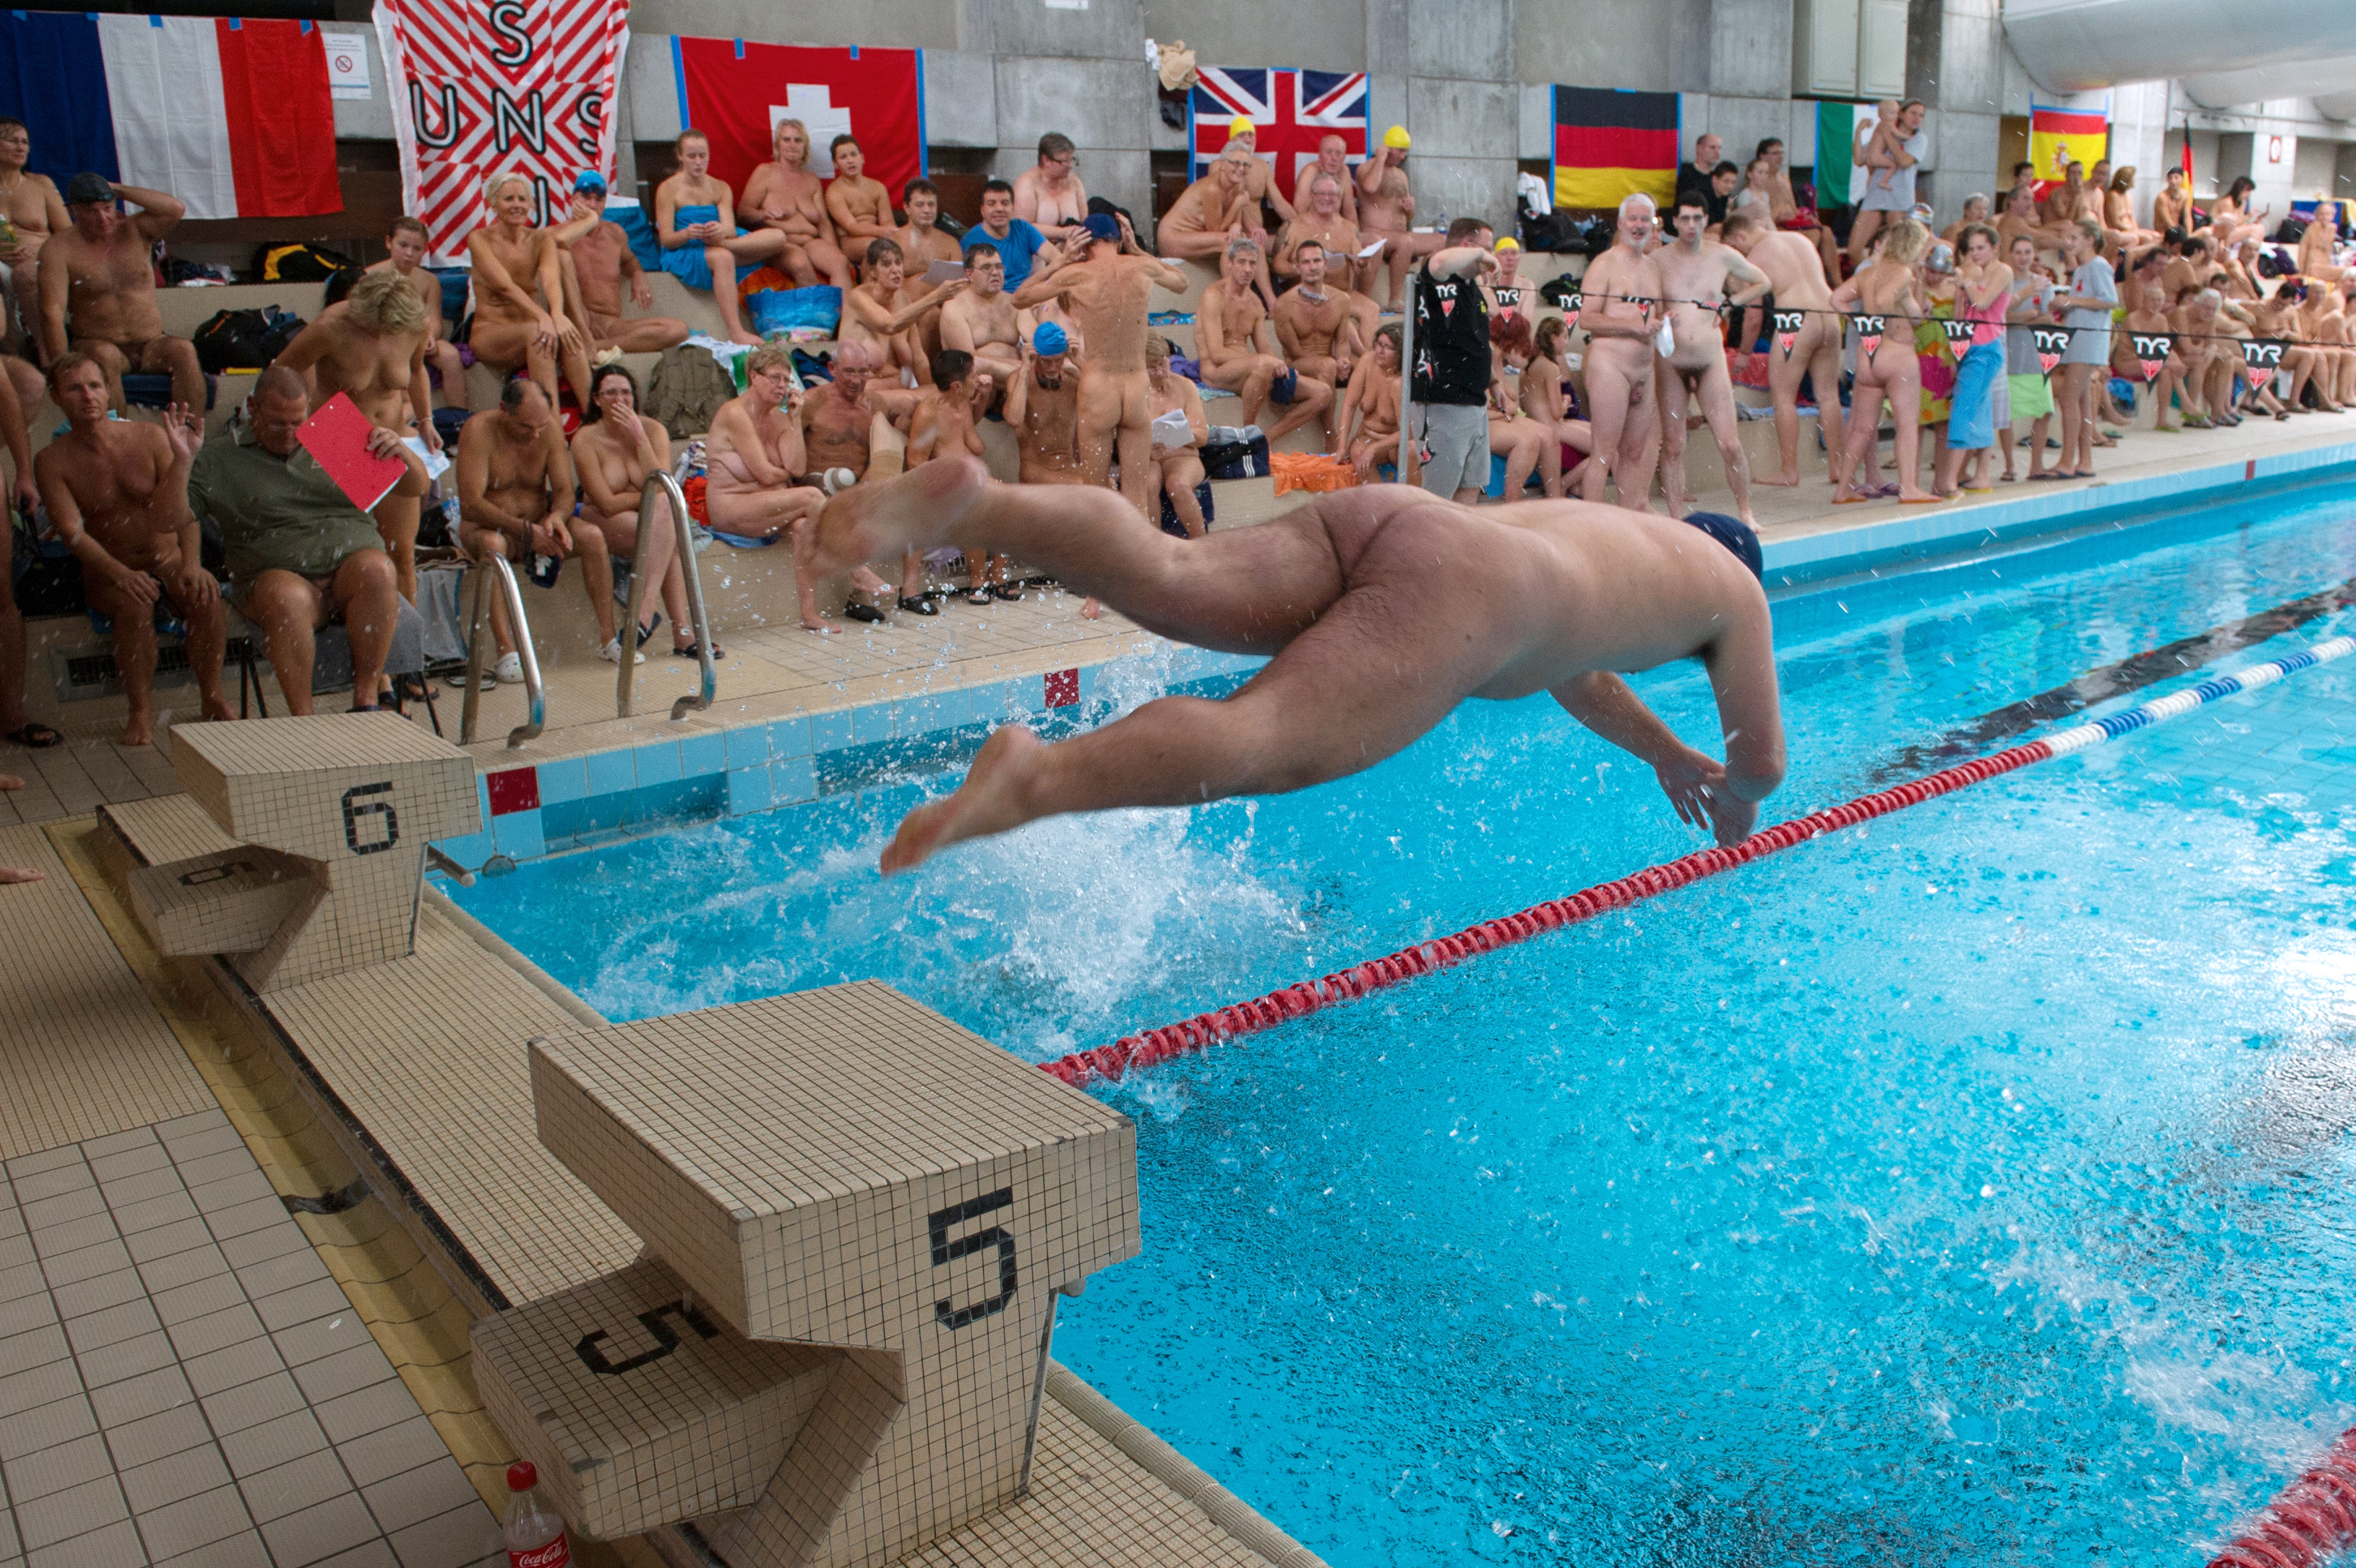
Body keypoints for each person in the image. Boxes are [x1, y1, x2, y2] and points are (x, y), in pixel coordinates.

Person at [812, 456, 1786, 872]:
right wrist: (1734, 791)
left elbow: (1575, 665)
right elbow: (1764, 766)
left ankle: (982, 507)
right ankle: (1038, 778)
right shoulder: (1738, 594)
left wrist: (1666, 753)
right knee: (1264, 738)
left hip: (1399, 516)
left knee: (1167, 570)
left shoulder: (1619, 539)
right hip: (1474, 584)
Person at [186, 366, 415, 716]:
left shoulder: (333, 435)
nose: (291, 433)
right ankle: (302, 716)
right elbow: (170, 518)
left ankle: (367, 699)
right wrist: (180, 462)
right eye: (278, 424)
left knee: (379, 569)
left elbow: (416, 487)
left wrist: (403, 452)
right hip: (277, 577)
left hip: (350, 575)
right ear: (252, 407)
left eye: (298, 421)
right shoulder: (219, 457)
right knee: (287, 597)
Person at [34, 357, 227, 742]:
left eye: (94, 386)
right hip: (109, 569)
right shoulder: (52, 461)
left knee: (205, 595)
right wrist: (121, 574)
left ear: (108, 391)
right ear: (56, 397)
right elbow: (72, 534)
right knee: (134, 604)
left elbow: (185, 507)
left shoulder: (150, 438)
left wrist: (193, 563)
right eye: (74, 388)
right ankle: (140, 711)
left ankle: (212, 697)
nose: (87, 396)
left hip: (169, 558)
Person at [272, 269, 437, 607]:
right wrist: (304, 422)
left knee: (402, 553)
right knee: (354, 554)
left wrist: (426, 420)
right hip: (338, 434)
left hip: (389, 437)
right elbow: (281, 372)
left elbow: (417, 369)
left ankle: (405, 637)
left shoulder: (415, 325)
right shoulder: (331, 327)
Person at [1010, 213, 1189, 517]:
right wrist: (1138, 251)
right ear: (1118, 241)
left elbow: (1020, 298)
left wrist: (1060, 261)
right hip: (1136, 388)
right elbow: (1182, 283)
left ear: (1084, 245)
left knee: (1096, 496)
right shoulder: (1142, 266)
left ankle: (1102, 549)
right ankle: (1138, 548)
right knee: (1137, 495)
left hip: (1099, 389)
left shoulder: (1077, 273)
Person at [456, 379, 609, 676]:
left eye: (541, 425)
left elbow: (564, 492)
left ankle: (609, 639)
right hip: (488, 528)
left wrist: (557, 517)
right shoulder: (478, 431)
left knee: (592, 536)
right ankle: (506, 650)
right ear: (503, 410)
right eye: (526, 427)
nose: (536, 434)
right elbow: (470, 505)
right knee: (493, 546)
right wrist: (525, 530)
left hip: (537, 523)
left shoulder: (548, 430)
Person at [698, 346, 843, 633]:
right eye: (775, 377)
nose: (782, 386)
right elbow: (765, 474)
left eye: (787, 380)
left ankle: (809, 615)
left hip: (764, 507)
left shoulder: (779, 418)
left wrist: (795, 419)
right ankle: (857, 570)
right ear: (754, 377)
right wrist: (780, 475)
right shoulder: (735, 413)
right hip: (730, 507)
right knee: (812, 496)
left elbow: (797, 468)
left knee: (803, 526)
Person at [37, 174, 202, 412]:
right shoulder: (58, 249)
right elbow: (51, 313)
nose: (103, 218)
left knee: (184, 350)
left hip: (151, 344)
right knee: (104, 356)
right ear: (73, 211)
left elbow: (174, 209)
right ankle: (117, 430)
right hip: (99, 344)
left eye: (107, 208)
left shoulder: (135, 230)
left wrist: (116, 188)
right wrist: (62, 369)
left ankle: (191, 429)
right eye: (92, 211)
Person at [1654, 194, 1770, 526]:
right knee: (1673, 446)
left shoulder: (1722, 255)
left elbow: (1763, 281)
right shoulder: (1658, 260)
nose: (1692, 226)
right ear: (1675, 222)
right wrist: (1658, 317)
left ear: (1707, 220)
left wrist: (1732, 302)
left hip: (1709, 360)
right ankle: (1677, 520)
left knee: (1730, 443)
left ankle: (1746, 512)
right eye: (1685, 219)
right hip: (1671, 362)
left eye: (1698, 219)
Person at [571, 364, 699, 659]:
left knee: (665, 521)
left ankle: (645, 614)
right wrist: (647, 497)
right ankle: (679, 631)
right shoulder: (586, 439)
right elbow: (606, 503)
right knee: (666, 532)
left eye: (626, 392)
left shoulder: (653, 430)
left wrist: (640, 438)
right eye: (611, 393)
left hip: (648, 517)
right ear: (597, 399)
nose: (620, 399)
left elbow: (663, 489)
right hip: (602, 518)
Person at [796, 339, 928, 616]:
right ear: (832, 369)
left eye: (863, 372)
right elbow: (790, 452)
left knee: (915, 508)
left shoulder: (874, 403)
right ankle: (862, 596)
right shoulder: (811, 403)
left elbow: (884, 443)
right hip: (819, 485)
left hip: (860, 486)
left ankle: (909, 592)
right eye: (849, 371)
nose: (857, 380)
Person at [1722, 211, 1844, 489]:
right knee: (1828, 396)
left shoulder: (1754, 258)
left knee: (1783, 396)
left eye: (1734, 247)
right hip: (1829, 318)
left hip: (1795, 323)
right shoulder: (1800, 240)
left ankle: (1789, 471)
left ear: (1740, 237)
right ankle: (1837, 466)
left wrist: (1744, 353)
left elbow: (1754, 318)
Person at [1828, 219, 1935, 504]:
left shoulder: (1869, 272)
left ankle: (1843, 490)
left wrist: (1861, 323)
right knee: (1907, 425)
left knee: (1862, 427)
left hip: (1869, 355)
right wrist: (1887, 323)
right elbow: (1886, 300)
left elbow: (1836, 299)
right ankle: (1909, 488)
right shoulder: (1903, 272)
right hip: (1897, 355)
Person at [467, 171, 594, 408]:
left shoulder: (541, 240)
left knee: (567, 332)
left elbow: (551, 281)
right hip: (491, 332)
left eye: (522, 199)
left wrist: (557, 314)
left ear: (531, 205)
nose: (517, 205)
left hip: (531, 326)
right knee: (539, 334)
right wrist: (543, 316)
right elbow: (504, 286)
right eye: (509, 199)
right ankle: (550, 420)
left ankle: (593, 413)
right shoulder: (479, 239)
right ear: (494, 204)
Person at [655, 130, 789, 347]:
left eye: (703, 155)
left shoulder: (720, 187)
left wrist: (720, 232)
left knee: (779, 237)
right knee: (723, 257)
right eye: (691, 156)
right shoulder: (667, 189)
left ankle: (719, 247)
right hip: (685, 249)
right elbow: (667, 240)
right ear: (680, 156)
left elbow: (730, 229)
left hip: (720, 242)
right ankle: (736, 332)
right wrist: (688, 233)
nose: (698, 162)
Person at [1196, 238, 1333, 447]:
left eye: (1252, 263)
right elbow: (1216, 353)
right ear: (1230, 264)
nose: (1247, 269)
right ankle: (1248, 433)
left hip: (1252, 370)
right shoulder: (1213, 295)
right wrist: (1266, 362)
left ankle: (1268, 437)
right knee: (1264, 365)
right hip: (1216, 372)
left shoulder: (1255, 303)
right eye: (1241, 262)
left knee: (1323, 392)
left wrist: (1281, 367)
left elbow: (1266, 349)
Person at [1580, 194, 1667, 510]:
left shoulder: (1653, 267)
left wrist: (1666, 323)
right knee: (1604, 453)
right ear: (1620, 223)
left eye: (1645, 219)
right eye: (1633, 219)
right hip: (1611, 366)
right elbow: (1586, 319)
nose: (1639, 225)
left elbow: (1653, 316)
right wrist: (1633, 328)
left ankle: (1626, 523)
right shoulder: (1604, 264)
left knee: (1634, 453)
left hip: (1643, 369)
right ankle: (1591, 526)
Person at [904, 348, 1007, 603]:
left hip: (969, 475)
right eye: (973, 376)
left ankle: (997, 574)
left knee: (1009, 500)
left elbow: (974, 444)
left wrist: (982, 398)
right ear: (956, 386)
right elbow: (915, 461)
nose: (978, 379)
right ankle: (977, 580)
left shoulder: (961, 403)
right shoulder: (929, 413)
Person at [1407, 219, 1498, 504]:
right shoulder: (1438, 279)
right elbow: (1440, 260)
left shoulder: (1471, 288)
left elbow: (1476, 342)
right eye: (1487, 248)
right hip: (1443, 402)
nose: (1491, 256)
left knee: (1471, 486)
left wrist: (1494, 382)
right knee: (1437, 499)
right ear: (1467, 246)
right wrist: (1482, 256)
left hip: (1474, 402)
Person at [551, 172, 690, 356]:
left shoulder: (615, 234)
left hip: (611, 325)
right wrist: (589, 222)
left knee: (678, 330)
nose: (592, 205)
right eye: (586, 198)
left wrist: (638, 274)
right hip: (577, 322)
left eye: (599, 200)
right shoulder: (556, 234)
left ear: (605, 203)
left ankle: (597, 346)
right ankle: (590, 343)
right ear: (572, 200)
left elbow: (630, 261)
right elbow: (556, 244)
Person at [1931, 224, 2014, 496]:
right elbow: (1962, 315)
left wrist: (1965, 282)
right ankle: (1981, 476)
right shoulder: (1979, 273)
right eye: (1972, 249)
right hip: (1970, 347)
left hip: (1986, 348)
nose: (1975, 253)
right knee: (1980, 410)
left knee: (1963, 410)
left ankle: (1949, 480)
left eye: (1981, 248)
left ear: (1995, 248)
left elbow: (1983, 303)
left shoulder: (2002, 271)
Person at [366, 216, 468, 410]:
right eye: (403, 245)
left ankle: (459, 415)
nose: (409, 253)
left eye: (416, 248)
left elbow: (435, 320)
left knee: (450, 355)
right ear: (389, 242)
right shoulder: (369, 276)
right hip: (385, 342)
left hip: (417, 338)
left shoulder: (428, 281)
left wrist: (429, 336)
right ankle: (405, 415)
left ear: (424, 251)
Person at [739, 119, 854, 290]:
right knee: (800, 263)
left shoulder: (812, 179)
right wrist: (765, 214)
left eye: (798, 140)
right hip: (781, 244)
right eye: (787, 139)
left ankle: (847, 308)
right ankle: (817, 308)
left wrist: (835, 250)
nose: (792, 145)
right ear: (778, 144)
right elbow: (743, 212)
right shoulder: (765, 172)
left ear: (805, 146)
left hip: (810, 241)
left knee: (840, 262)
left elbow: (824, 223)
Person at [1275, 172, 1381, 348]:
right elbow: (1278, 264)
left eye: (1332, 194)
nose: (1326, 198)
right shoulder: (1294, 226)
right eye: (1321, 194)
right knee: (1338, 310)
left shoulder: (1349, 228)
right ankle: (1364, 357)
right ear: (1311, 196)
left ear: (1340, 198)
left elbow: (1359, 267)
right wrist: (1299, 268)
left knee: (1371, 309)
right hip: (1306, 294)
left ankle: (1369, 360)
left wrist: (1363, 263)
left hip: (1342, 292)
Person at [1272, 239, 1361, 449]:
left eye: (1317, 261)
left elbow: (1342, 341)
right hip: (1298, 364)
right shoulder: (1284, 304)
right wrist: (1332, 364)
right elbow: (1295, 352)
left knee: (1368, 364)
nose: (1312, 267)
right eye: (1306, 262)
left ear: (1326, 264)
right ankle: (1330, 435)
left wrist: (1343, 359)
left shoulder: (1341, 300)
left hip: (1328, 363)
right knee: (1327, 366)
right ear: (1297, 268)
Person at [2047, 217, 2117, 480]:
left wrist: (2072, 301)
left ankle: (2067, 461)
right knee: (2082, 402)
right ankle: (2085, 461)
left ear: (2090, 240)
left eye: (2075, 237)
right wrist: (2064, 305)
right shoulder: (2082, 269)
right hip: (2079, 339)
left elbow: (2110, 301)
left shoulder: (2098, 266)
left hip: (2089, 341)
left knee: (2068, 398)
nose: (2070, 242)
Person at [1160, 148, 1273, 308]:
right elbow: (1217, 230)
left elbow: (1236, 221)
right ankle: (1234, 301)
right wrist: (1237, 205)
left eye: (1246, 165)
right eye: (1236, 163)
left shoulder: (1238, 185)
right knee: (1229, 242)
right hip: (1173, 238)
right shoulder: (1212, 188)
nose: (1241, 168)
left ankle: (1272, 302)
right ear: (1223, 165)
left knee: (1254, 246)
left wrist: (1237, 225)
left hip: (1201, 236)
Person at [844, 237, 963, 387]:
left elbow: (919, 359)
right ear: (873, 272)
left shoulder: (902, 298)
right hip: (862, 388)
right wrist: (936, 296)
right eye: (887, 264)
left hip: (901, 386)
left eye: (898, 263)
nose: (895, 269)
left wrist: (931, 394)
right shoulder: (857, 298)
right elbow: (890, 325)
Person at [1357, 127, 1443, 310]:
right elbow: (1370, 187)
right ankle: (1395, 298)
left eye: (1406, 152)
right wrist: (1380, 159)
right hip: (1376, 233)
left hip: (1400, 235)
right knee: (1406, 242)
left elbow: (1409, 216)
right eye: (1400, 151)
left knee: (1442, 241)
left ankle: (1424, 292)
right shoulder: (1367, 168)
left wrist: (1410, 208)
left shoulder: (1401, 175)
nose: (1403, 157)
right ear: (1387, 149)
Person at [0, 119, 67, 354]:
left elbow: (67, 234)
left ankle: (47, 353)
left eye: (25, 142)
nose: (21, 147)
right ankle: (13, 353)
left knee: (24, 274)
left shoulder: (40, 184)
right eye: (12, 141)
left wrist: (39, 250)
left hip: (40, 257)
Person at [2000, 235, 2059, 476]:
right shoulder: (2003, 282)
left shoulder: (2043, 284)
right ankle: (2010, 466)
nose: (2023, 258)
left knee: (2044, 411)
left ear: (2034, 255)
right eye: (2018, 252)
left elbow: (2049, 318)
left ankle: (2036, 466)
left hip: (2035, 357)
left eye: (2027, 252)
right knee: (2005, 416)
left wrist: (2017, 319)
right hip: (2008, 356)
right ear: (2010, 254)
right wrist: (2029, 314)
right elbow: (1999, 317)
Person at [1143, 335, 1210, 538]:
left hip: (1183, 455)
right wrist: (1146, 449)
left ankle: (1201, 544)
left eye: (1163, 364)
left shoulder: (1186, 386)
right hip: (1148, 458)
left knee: (1177, 485)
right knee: (1149, 485)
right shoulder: (1136, 391)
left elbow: (1203, 436)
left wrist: (1178, 433)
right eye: (1152, 367)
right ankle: (1153, 545)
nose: (1160, 372)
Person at [1518, 317, 1593, 498]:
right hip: (1553, 427)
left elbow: (1523, 404)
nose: (1567, 343)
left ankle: (1576, 487)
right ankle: (1565, 484)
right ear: (1553, 337)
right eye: (1565, 337)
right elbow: (1557, 412)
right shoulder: (1550, 367)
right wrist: (1566, 401)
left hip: (1536, 424)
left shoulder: (1526, 366)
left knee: (1596, 432)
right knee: (1605, 451)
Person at [1849, 101, 1926, 263]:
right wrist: (1858, 132)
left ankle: (1891, 277)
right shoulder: (1883, 130)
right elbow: (1860, 159)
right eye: (1913, 113)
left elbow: (1904, 162)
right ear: (1901, 113)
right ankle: (1870, 273)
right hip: (1876, 196)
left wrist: (1888, 136)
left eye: (1921, 115)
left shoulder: (1919, 139)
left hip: (1900, 199)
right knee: (1854, 249)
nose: (1917, 118)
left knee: (1899, 251)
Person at [940, 243, 1023, 392]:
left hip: (1015, 381)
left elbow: (1035, 339)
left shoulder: (1014, 303)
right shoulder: (954, 307)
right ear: (969, 274)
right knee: (977, 364)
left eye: (999, 267)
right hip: (976, 384)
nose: (995, 273)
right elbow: (968, 361)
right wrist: (1020, 367)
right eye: (986, 268)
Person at [2120, 280, 2194, 432]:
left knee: (2166, 371)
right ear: (2144, 301)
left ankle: (2162, 420)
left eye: (2160, 300)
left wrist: (2176, 362)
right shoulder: (2133, 318)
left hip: (2151, 360)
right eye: (2153, 300)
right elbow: (2141, 348)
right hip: (2129, 361)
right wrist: (2170, 363)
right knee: (2167, 366)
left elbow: (2166, 347)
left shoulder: (2162, 319)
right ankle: (2186, 402)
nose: (2156, 304)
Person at [966, 180, 1057, 292]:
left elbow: (1055, 257)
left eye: (1005, 203)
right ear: (982, 210)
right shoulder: (970, 241)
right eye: (992, 204)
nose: (999, 209)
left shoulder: (1024, 229)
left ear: (1013, 208)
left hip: (1027, 294)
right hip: (992, 298)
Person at [822, 136, 899, 263]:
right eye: (843, 157)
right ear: (835, 164)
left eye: (853, 154)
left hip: (879, 236)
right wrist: (884, 232)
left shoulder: (878, 187)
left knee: (904, 244)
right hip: (850, 241)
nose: (850, 160)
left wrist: (892, 233)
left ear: (862, 158)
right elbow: (852, 227)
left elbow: (888, 222)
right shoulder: (834, 192)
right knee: (876, 248)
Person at [1012, 134, 1088, 237]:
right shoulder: (1027, 184)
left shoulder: (1074, 182)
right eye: (1064, 161)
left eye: (1071, 159)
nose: (1070, 165)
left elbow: (1085, 222)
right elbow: (1023, 227)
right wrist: (1063, 233)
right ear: (1046, 160)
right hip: (1039, 246)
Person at [892, 179, 965, 273]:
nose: (927, 210)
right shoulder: (893, 242)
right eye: (920, 205)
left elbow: (958, 280)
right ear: (907, 208)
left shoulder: (950, 244)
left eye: (931, 204)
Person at [1292, 134, 1360, 226]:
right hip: (1312, 227)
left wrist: (1355, 233)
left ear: (1344, 157)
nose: (1334, 158)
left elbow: (1349, 211)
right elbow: (1300, 211)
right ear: (1320, 155)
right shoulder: (1310, 171)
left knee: (1370, 236)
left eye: (1338, 153)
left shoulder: (1344, 171)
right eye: (1329, 152)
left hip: (1336, 227)